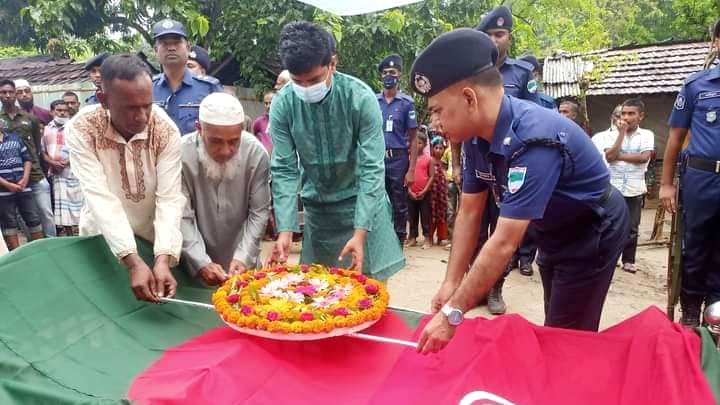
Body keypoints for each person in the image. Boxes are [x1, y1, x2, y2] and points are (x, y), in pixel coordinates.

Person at [411, 29, 630, 354]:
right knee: (556, 319)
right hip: (552, 228)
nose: (435, 122)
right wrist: (450, 283)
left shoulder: (533, 140)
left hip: (591, 230)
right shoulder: (474, 136)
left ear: (470, 99)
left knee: (567, 337)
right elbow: (470, 211)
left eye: (438, 110)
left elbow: (503, 243)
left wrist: (452, 314)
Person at [268, 21, 404, 280]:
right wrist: (285, 229)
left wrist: (360, 231)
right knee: (318, 298)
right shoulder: (283, 104)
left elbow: (372, 168)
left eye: (315, 80)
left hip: (363, 207)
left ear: (333, 63)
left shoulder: (360, 98)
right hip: (319, 215)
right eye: (298, 82)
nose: (306, 89)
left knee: (367, 297)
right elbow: (284, 169)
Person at [66, 54, 184, 302]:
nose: (141, 116)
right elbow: (99, 197)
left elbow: (170, 198)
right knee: (104, 309)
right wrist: (131, 262)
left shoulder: (165, 130)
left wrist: (163, 259)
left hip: (153, 242)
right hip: (101, 240)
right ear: (103, 100)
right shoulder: (82, 129)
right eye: (130, 108)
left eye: (147, 105)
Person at [661, 20, 720, 326]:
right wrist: (667, 185)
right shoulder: (697, 85)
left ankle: (716, 312)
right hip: (702, 178)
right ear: (716, 43)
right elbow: (674, 139)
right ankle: (691, 313)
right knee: (696, 245)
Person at [181, 92, 271, 285]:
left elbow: (259, 212)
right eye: (215, 141)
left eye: (234, 142)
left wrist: (244, 257)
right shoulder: (180, 154)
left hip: (244, 264)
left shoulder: (256, 154)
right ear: (199, 129)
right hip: (192, 266)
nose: (225, 151)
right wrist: (200, 262)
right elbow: (181, 216)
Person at [594, 98, 653, 275]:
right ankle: (607, 257)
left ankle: (628, 260)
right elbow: (610, 157)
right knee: (607, 224)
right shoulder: (610, 135)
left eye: (631, 113)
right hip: (613, 187)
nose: (626, 117)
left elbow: (644, 157)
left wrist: (618, 155)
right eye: (623, 114)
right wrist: (621, 134)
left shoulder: (647, 135)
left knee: (632, 227)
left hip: (634, 187)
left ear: (640, 116)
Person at [0, 79, 55, 237]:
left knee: (46, 213)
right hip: (9, 179)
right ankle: (33, 246)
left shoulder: (30, 119)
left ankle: (51, 244)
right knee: (22, 218)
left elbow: (37, 146)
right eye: (4, 92)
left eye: (11, 92)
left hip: (35, 175)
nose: (8, 96)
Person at [151, 19, 224, 135]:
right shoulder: (147, 88)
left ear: (188, 48)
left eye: (176, 42)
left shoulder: (209, 87)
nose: (171, 48)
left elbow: (223, 128)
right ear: (155, 50)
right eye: (164, 44)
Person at [377, 54, 419, 245]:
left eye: (392, 72)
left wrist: (411, 170)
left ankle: (398, 240)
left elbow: (413, 138)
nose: (388, 76)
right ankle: (381, 240)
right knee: (378, 200)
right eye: (385, 73)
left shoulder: (406, 103)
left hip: (399, 159)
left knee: (399, 202)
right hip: (378, 159)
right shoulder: (373, 101)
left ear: (399, 75)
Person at [42, 100, 83, 236]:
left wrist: (68, 161)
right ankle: (70, 235)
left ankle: (82, 233)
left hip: (75, 172)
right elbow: (42, 152)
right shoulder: (47, 129)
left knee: (79, 205)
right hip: (58, 174)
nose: (62, 112)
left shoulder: (76, 126)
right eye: (58, 110)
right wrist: (53, 163)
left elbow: (82, 148)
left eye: (64, 110)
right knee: (63, 208)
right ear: (52, 112)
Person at [0, 125, 44, 249]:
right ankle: (16, 256)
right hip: (3, 192)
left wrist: (25, 178)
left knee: (34, 218)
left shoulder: (15, 138)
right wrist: (8, 185)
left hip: (24, 186)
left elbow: (27, 159)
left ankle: (41, 250)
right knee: (9, 223)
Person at [407, 134, 435, 249]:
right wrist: (409, 190)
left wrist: (424, 191)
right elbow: (406, 175)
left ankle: (427, 238)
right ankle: (412, 237)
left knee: (425, 216)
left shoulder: (429, 159)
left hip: (425, 193)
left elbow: (431, 176)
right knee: (412, 216)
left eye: (420, 143)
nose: (417, 145)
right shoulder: (408, 158)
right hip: (411, 193)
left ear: (424, 144)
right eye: (415, 143)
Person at [430, 135, 449, 246]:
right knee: (431, 214)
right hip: (432, 193)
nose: (438, 150)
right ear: (432, 149)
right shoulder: (430, 161)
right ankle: (430, 236)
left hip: (442, 194)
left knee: (442, 214)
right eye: (436, 148)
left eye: (441, 148)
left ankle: (442, 237)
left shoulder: (443, 163)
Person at [252, 90, 274, 154]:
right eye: (266, 103)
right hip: (264, 157)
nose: (268, 106)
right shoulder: (259, 121)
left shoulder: (283, 120)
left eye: (271, 103)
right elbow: (253, 135)